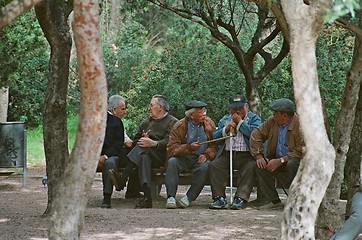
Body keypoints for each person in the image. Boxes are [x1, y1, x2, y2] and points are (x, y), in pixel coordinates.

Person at [109, 95, 178, 208]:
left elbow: (171, 142)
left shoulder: (172, 122)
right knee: (144, 156)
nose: (148, 109)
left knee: (144, 149)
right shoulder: (146, 122)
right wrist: (142, 138)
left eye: (151, 105)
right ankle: (147, 198)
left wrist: (153, 143)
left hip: (162, 156)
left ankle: (123, 177)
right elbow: (134, 143)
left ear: (160, 107)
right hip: (145, 155)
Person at [250, 98, 305, 210]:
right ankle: (274, 201)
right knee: (260, 165)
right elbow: (256, 134)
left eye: (275, 112)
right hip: (277, 158)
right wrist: (259, 155)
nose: (273, 114)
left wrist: (281, 160)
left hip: (295, 159)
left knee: (292, 164)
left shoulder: (301, 125)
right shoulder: (272, 121)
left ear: (284, 115)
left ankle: (296, 202)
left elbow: (301, 149)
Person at [208, 94, 261, 210]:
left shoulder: (254, 118)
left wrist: (240, 123)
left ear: (246, 106)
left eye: (240, 108)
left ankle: (240, 198)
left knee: (251, 166)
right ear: (230, 109)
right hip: (228, 154)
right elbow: (214, 136)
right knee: (215, 165)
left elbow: (255, 134)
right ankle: (219, 198)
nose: (237, 111)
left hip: (247, 155)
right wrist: (226, 129)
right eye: (234, 108)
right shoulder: (225, 119)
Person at [165, 100, 217, 209]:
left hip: (201, 157)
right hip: (184, 157)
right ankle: (171, 197)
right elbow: (171, 149)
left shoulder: (209, 123)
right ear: (192, 115)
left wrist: (207, 155)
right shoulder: (179, 125)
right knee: (172, 162)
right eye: (200, 112)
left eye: (204, 111)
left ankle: (188, 198)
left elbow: (214, 145)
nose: (204, 114)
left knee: (205, 167)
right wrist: (188, 147)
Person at [99, 95, 141, 208]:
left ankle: (110, 196)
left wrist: (105, 156)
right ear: (114, 110)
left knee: (110, 162)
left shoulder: (116, 122)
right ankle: (108, 197)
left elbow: (120, 143)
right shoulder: (104, 120)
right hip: (101, 155)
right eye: (122, 109)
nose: (125, 112)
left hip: (111, 155)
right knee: (114, 161)